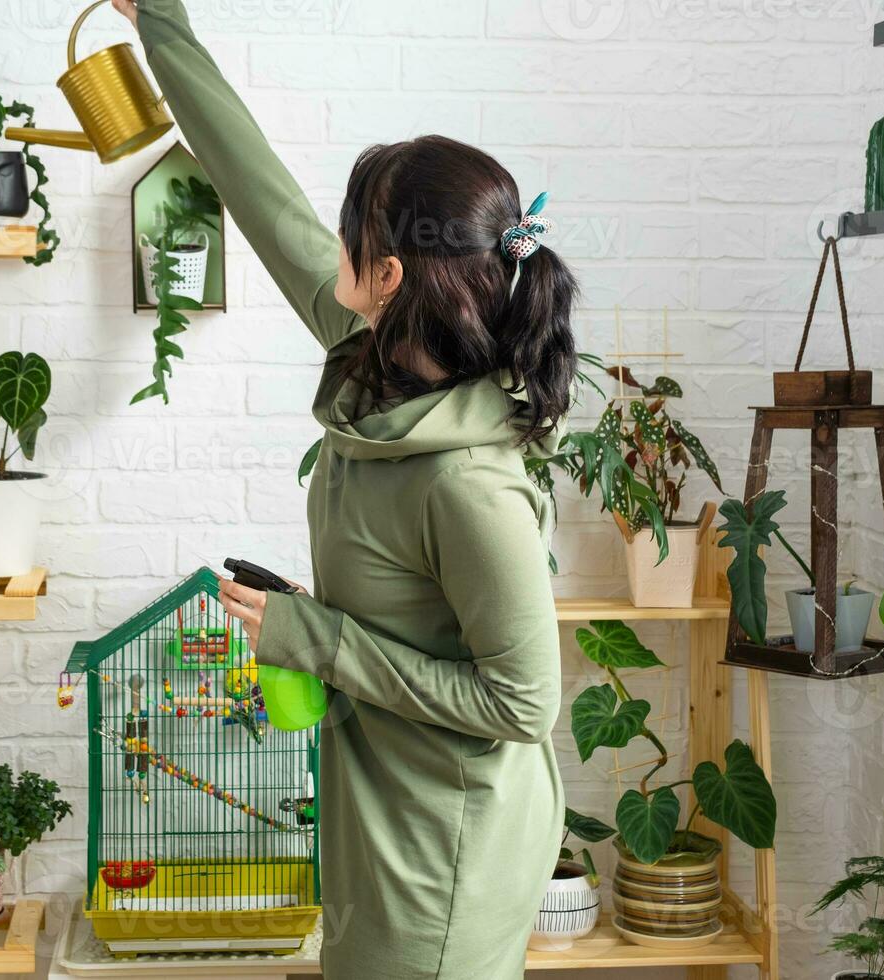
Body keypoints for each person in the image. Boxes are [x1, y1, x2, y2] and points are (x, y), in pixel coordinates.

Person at [112, 2, 576, 976]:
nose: (329, 242)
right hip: (382, 822)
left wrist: (315, 636)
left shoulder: (468, 484)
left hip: (444, 857)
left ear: (391, 273)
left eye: (349, 230)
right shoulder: (372, 351)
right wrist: (161, 23)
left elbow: (524, 701)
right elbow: (257, 190)